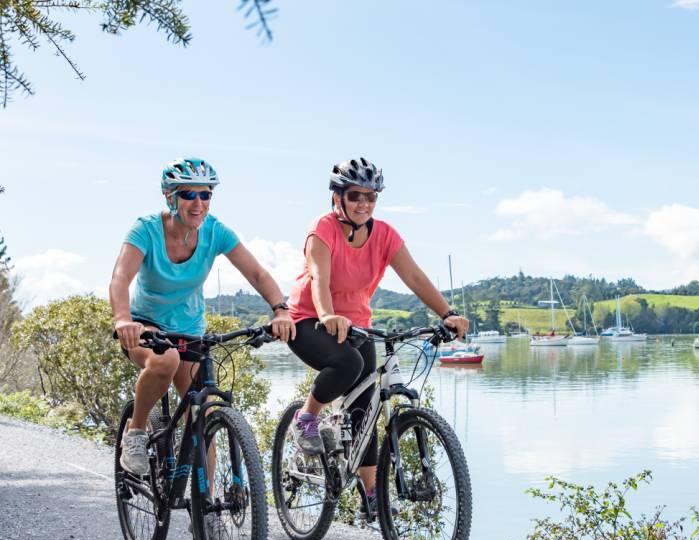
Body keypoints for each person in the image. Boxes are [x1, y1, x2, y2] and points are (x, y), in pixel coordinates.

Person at [286, 157, 469, 519]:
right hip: (309, 320)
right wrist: (327, 315)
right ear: (337, 197)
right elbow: (320, 278)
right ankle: (306, 418)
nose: (364, 204)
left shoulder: (384, 235)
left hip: (358, 325)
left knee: (365, 409)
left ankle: (370, 495)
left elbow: (415, 278)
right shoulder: (322, 228)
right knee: (348, 364)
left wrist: (446, 313)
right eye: (356, 195)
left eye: (371, 197)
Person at [109, 156, 295, 486]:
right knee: (165, 360)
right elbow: (121, 278)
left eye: (205, 194)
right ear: (170, 197)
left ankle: (206, 504)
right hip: (145, 326)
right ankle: (135, 432)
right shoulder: (145, 230)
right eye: (189, 194)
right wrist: (124, 320)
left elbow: (256, 273)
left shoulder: (215, 231)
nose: (198, 203)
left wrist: (280, 309)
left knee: (204, 415)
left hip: (190, 331)